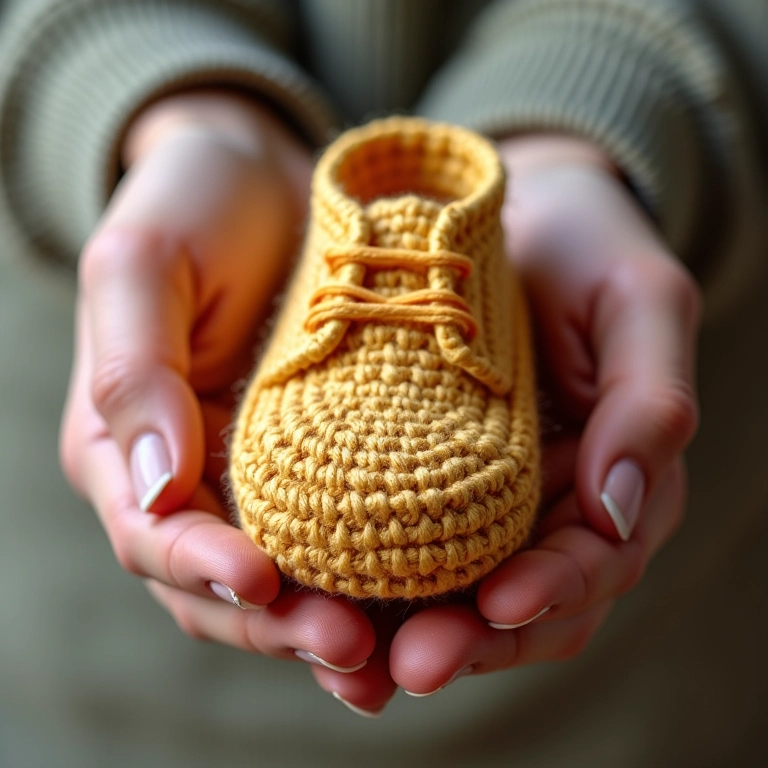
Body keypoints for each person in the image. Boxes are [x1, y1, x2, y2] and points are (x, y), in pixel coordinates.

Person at [0, 0, 765, 765]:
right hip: (81, 661)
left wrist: (608, 103)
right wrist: (171, 104)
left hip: (653, 694)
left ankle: (474, 258)